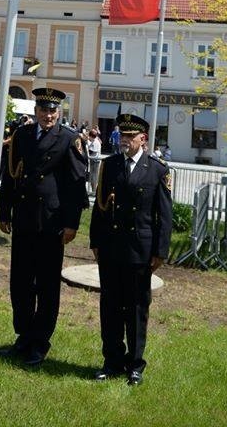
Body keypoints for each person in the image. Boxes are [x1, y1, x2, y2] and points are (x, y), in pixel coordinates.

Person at [0, 87, 88, 367]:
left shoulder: (69, 139)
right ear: (35, 111)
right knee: (20, 282)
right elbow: (10, 175)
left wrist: (72, 223)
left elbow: (76, 185)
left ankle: (40, 342)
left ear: (59, 112)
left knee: (47, 286)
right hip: (24, 218)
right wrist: (4, 211)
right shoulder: (22, 135)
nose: (48, 115)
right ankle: (23, 336)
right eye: (43, 110)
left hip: (52, 223)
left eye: (52, 111)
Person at [90, 112, 172, 386]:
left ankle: (135, 364)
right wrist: (96, 242)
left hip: (140, 250)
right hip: (112, 248)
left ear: (143, 139)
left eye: (129, 136)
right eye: (121, 135)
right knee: (110, 307)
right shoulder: (110, 165)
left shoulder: (157, 169)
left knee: (137, 309)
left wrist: (160, 251)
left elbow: (164, 215)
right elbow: (99, 208)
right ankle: (112, 360)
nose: (124, 140)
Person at [86, 128, 102, 195]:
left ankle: (94, 191)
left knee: (94, 177)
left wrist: (87, 152)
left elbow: (92, 151)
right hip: (93, 160)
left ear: (91, 136)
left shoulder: (95, 142)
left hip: (95, 161)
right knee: (92, 177)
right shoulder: (94, 141)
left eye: (89, 136)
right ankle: (93, 191)